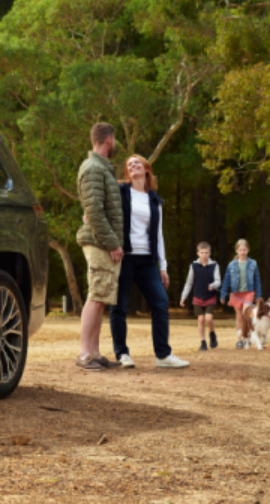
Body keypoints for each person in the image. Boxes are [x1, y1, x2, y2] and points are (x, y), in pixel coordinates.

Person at [110, 154, 189, 369]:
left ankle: (163, 355)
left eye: (137, 162)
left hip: (147, 260)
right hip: (124, 257)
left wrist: (163, 266)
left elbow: (158, 234)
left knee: (161, 302)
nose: (133, 165)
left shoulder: (154, 199)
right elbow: (103, 208)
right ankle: (122, 354)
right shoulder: (120, 191)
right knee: (119, 306)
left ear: (146, 169)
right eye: (130, 164)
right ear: (127, 172)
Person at [74, 122, 125, 371]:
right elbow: (94, 211)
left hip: (103, 242)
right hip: (99, 242)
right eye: (114, 140)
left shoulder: (102, 168)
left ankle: (95, 353)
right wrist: (113, 243)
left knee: (101, 297)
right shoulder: (93, 167)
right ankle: (84, 354)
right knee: (95, 297)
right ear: (108, 140)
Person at [220, 239, 262, 349]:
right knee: (239, 317)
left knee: (246, 315)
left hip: (248, 293)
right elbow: (226, 280)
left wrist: (258, 296)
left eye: (244, 250)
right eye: (240, 250)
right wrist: (223, 294)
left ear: (248, 250)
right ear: (236, 251)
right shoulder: (231, 265)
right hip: (236, 294)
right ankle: (239, 340)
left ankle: (247, 337)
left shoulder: (253, 263)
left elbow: (257, 280)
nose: (242, 252)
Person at [181, 242, 222, 351]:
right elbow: (189, 283)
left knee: (208, 318)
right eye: (202, 252)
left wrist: (214, 285)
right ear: (198, 253)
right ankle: (203, 342)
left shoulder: (214, 265)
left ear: (210, 253)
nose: (204, 255)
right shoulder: (193, 266)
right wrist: (183, 297)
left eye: (206, 252)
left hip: (210, 297)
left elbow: (218, 280)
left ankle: (212, 334)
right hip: (197, 297)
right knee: (201, 319)